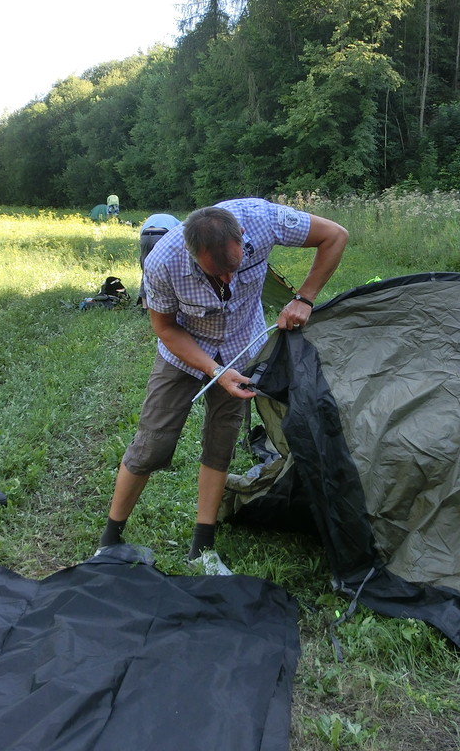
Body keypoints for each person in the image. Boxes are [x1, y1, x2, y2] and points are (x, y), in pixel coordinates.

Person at [98, 197, 348, 573]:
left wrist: (304, 298)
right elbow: (165, 328)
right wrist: (214, 371)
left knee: (221, 442)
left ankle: (202, 549)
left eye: (233, 268)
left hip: (239, 347)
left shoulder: (263, 219)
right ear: (191, 253)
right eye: (215, 274)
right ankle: (109, 544)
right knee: (152, 443)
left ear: (243, 236)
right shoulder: (162, 262)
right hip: (183, 354)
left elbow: (336, 235)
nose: (228, 280)